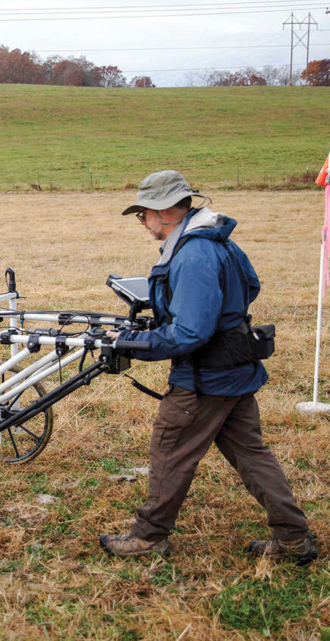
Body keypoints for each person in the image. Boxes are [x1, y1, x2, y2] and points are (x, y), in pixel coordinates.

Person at [100, 170, 317, 565]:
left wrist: (135, 343)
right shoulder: (218, 241)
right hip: (233, 371)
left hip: (203, 378)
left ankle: (149, 537)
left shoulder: (194, 253)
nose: (143, 223)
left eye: (143, 214)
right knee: (252, 455)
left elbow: (190, 332)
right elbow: (250, 286)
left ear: (164, 211)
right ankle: (293, 538)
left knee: (170, 450)